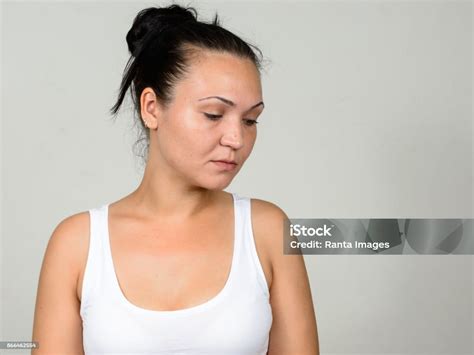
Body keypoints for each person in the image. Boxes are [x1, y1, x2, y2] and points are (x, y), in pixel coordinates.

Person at [32, 4, 319, 354]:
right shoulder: (76, 244)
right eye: (214, 114)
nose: (237, 139)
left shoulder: (269, 231)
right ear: (151, 107)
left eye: (250, 120)